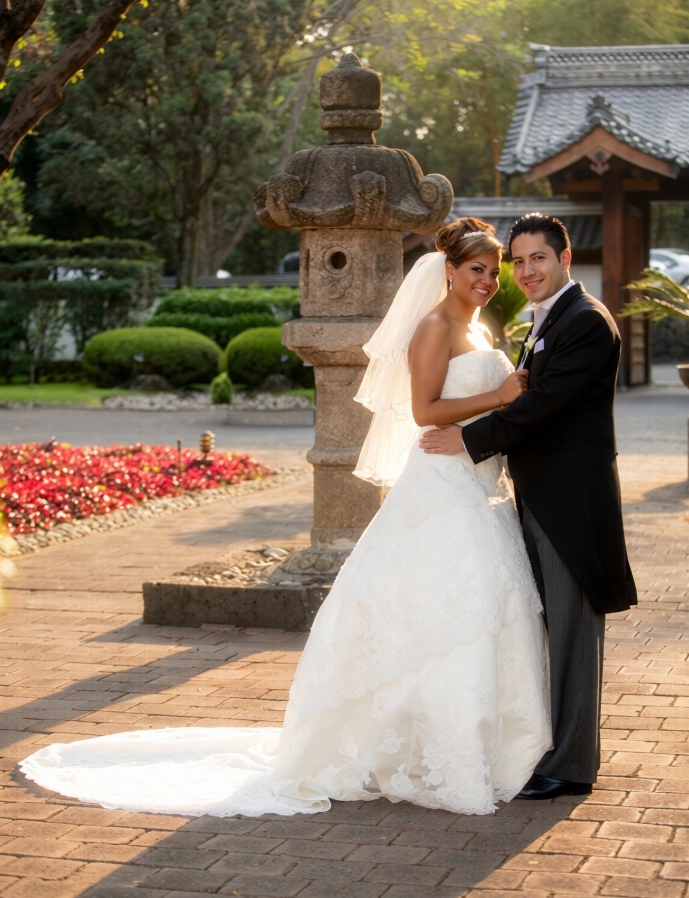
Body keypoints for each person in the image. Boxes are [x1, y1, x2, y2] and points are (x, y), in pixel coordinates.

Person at [19, 217, 551, 818]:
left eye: (493, 270)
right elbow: (425, 409)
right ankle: (427, 748)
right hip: (442, 488)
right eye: (476, 269)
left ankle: (480, 742)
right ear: (449, 270)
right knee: (448, 605)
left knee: (476, 606)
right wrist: (499, 396)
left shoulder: (479, 327)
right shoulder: (434, 326)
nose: (486, 279)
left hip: (478, 486)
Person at [421, 213, 637, 800]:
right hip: (540, 496)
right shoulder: (547, 320)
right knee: (549, 631)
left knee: (572, 635)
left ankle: (570, 766)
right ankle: (551, 749)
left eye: (536, 258)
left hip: (572, 501)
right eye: (518, 261)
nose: (525, 271)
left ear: (565, 258)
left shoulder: (586, 321)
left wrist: (468, 439)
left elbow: (544, 405)